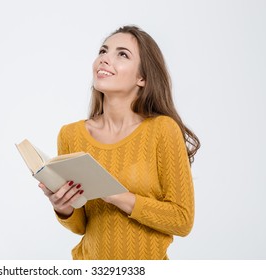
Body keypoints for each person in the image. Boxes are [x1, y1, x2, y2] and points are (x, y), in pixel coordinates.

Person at [38, 25, 200, 260]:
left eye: (122, 54)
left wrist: (114, 194)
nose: (105, 59)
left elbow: (182, 220)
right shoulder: (70, 135)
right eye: (103, 51)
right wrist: (62, 207)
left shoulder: (162, 130)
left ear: (142, 77)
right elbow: (81, 227)